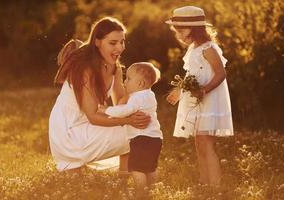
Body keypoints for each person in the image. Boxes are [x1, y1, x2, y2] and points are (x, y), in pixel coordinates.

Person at [49, 17, 150, 172]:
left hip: (87, 126)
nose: (120, 47)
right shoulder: (85, 70)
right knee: (131, 131)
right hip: (69, 131)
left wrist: (136, 94)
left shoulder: (114, 68)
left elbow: (121, 104)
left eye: (122, 42)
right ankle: (75, 161)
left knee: (136, 130)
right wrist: (128, 120)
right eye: (112, 43)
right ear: (97, 42)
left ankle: (122, 183)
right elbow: (93, 117)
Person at [166, 6, 234, 185]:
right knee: (199, 144)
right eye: (176, 31)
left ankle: (215, 186)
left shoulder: (208, 48)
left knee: (206, 143)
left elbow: (220, 74)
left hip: (208, 100)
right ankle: (204, 181)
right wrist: (180, 91)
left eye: (181, 31)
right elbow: (192, 76)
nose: (178, 35)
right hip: (198, 101)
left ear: (194, 29)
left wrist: (204, 90)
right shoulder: (194, 49)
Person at [98, 62, 162, 198]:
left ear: (140, 84)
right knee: (150, 168)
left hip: (141, 138)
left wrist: (106, 110)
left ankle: (140, 193)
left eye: (128, 79)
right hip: (155, 139)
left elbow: (125, 110)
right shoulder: (150, 95)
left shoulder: (137, 97)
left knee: (136, 169)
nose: (125, 82)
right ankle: (152, 191)